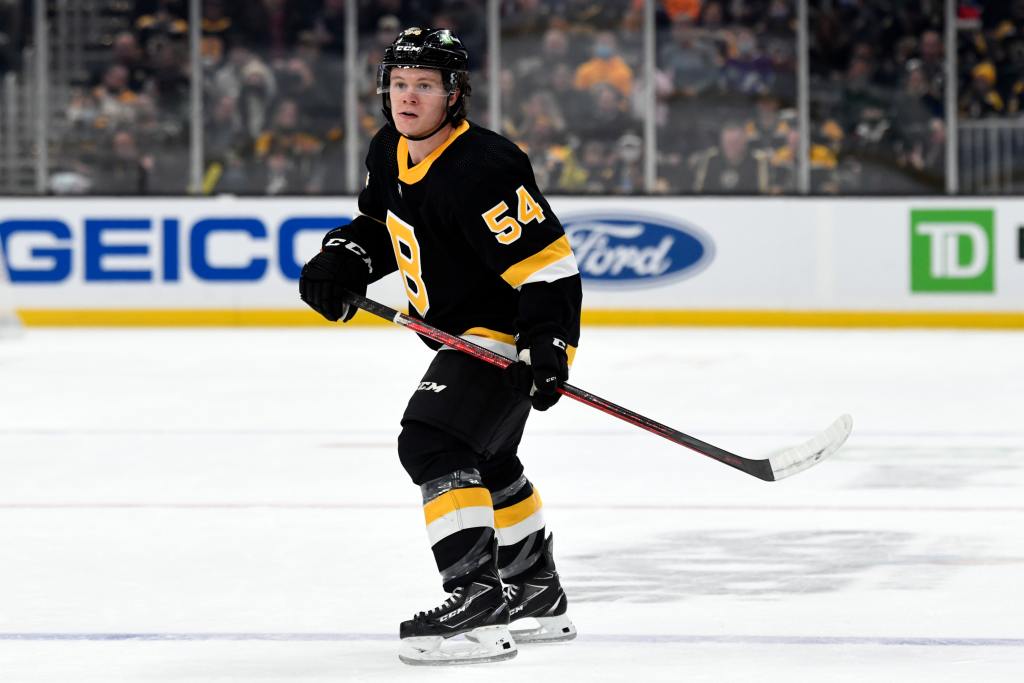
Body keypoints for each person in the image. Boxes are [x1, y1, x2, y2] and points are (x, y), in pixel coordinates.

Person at [299, 27, 581, 666]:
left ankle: (477, 604)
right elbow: (381, 226)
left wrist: (549, 345)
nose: (407, 97)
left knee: (433, 442)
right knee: (487, 462)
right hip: (460, 336)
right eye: (399, 84)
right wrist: (342, 260)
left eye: (424, 85)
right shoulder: (387, 150)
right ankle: (537, 591)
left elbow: (547, 266)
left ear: (454, 95)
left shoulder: (485, 166)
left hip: (505, 339)